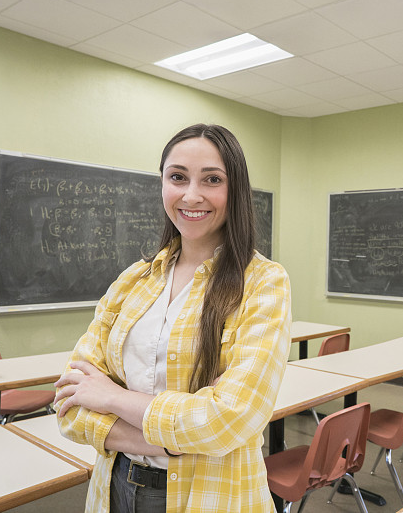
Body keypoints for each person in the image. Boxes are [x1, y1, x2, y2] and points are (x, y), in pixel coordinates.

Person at [54, 124, 292, 513]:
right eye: (177, 177)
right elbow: (69, 408)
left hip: (214, 496)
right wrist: (174, 437)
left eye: (212, 179)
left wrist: (113, 397)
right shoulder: (133, 280)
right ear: (163, 183)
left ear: (235, 190)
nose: (191, 194)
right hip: (114, 488)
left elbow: (229, 420)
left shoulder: (263, 282)